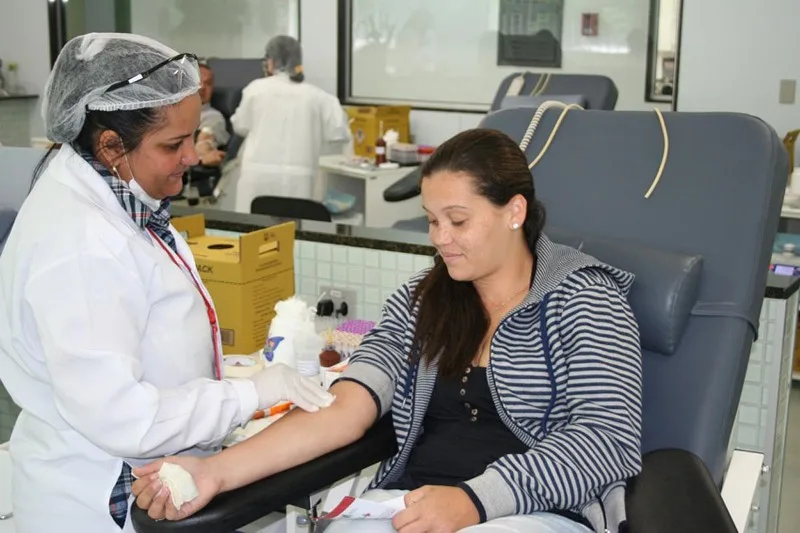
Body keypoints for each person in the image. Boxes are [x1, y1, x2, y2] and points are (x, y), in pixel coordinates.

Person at [133, 129, 643, 533]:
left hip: (535, 514)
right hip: (411, 505)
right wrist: (216, 472)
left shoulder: (583, 298)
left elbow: (607, 439)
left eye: (458, 221)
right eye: (431, 220)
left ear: (514, 211)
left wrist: (473, 501)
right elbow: (346, 410)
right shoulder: (424, 301)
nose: (440, 239)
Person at [0, 32, 333, 532]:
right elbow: (124, 417)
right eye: (173, 144)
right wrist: (250, 396)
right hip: (96, 503)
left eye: (192, 136)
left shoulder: (117, 195)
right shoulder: (81, 243)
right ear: (111, 145)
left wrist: (232, 381)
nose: (192, 158)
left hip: (148, 475)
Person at [230, 35, 351, 212]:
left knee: (252, 232)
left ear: (270, 61)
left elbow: (240, 126)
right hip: (299, 180)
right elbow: (338, 133)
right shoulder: (319, 97)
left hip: (257, 177)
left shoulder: (255, 89)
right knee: (292, 232)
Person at [195, 60, 229, 167]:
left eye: (208, 83)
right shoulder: (168, 112)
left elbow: (204, 141)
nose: (203, 87)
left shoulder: (213, 117)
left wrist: (203, 156)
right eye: (198, 81)